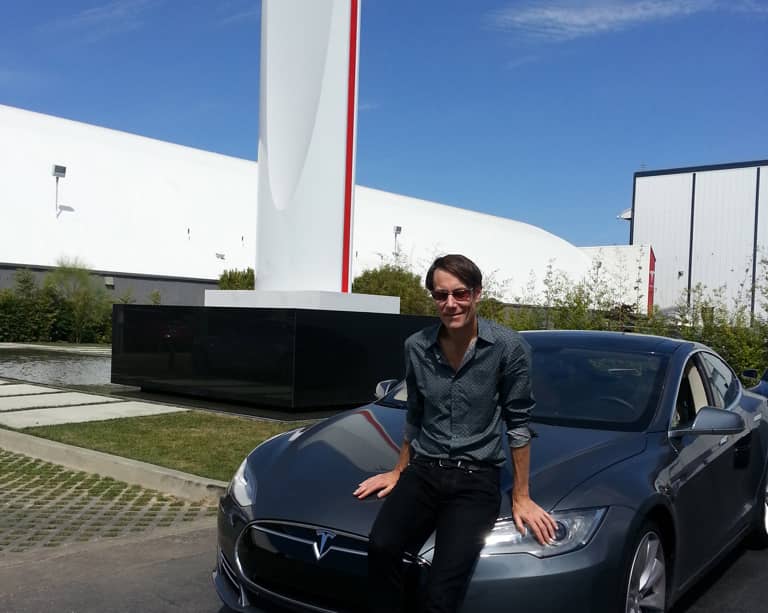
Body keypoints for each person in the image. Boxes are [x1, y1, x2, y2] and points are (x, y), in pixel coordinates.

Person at [354, 254, 556, 613]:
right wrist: (399, 470)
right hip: (425, 471)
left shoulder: (508, 348)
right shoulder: (416, 346)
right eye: (440, 295)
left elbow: (519, 422)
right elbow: (415, 414)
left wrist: (521, 495)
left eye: (460, 293)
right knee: (381, 547)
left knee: (442, 589)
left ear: (477, 293)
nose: (450, 303)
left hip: (475, 481)